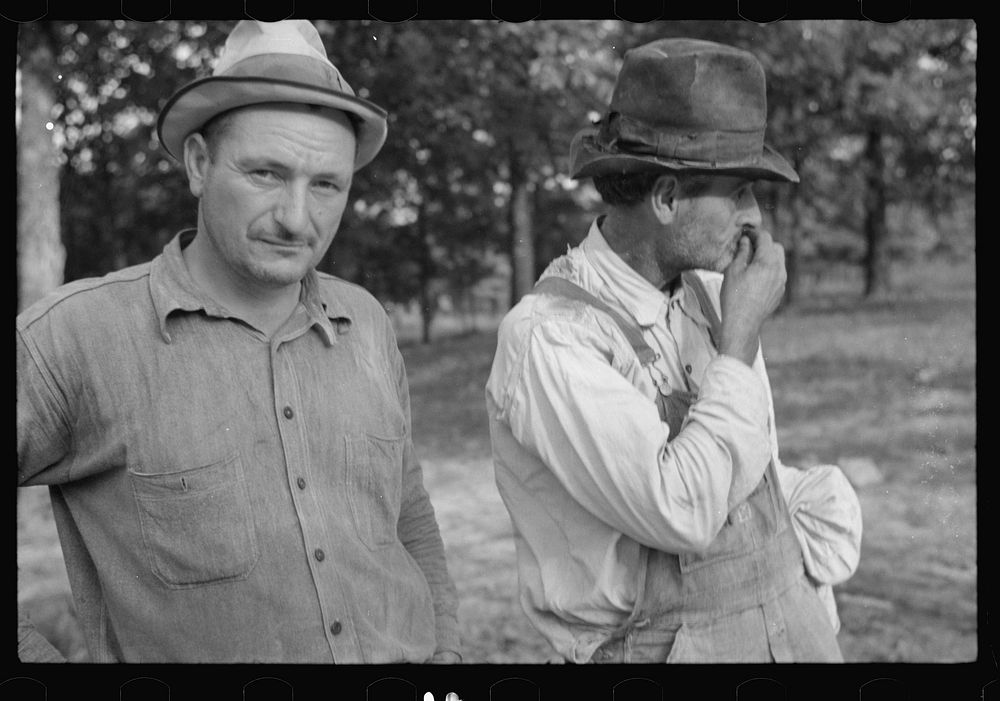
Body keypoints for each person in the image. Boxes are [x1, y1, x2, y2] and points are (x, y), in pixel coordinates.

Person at [17, 19, 460, 664]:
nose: (295, 218)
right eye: (265, 174)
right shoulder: (75, 338)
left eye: (326, 185)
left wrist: (444, 653)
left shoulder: (365, 322)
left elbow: (407, 510)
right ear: (199, 164)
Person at [486, 38, 862, 663]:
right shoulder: (550, 337)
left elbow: (750, 468)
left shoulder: (710, 296)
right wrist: (739, 341)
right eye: (739, 192)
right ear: (665, 198)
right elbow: (683, 511)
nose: (754, 218)